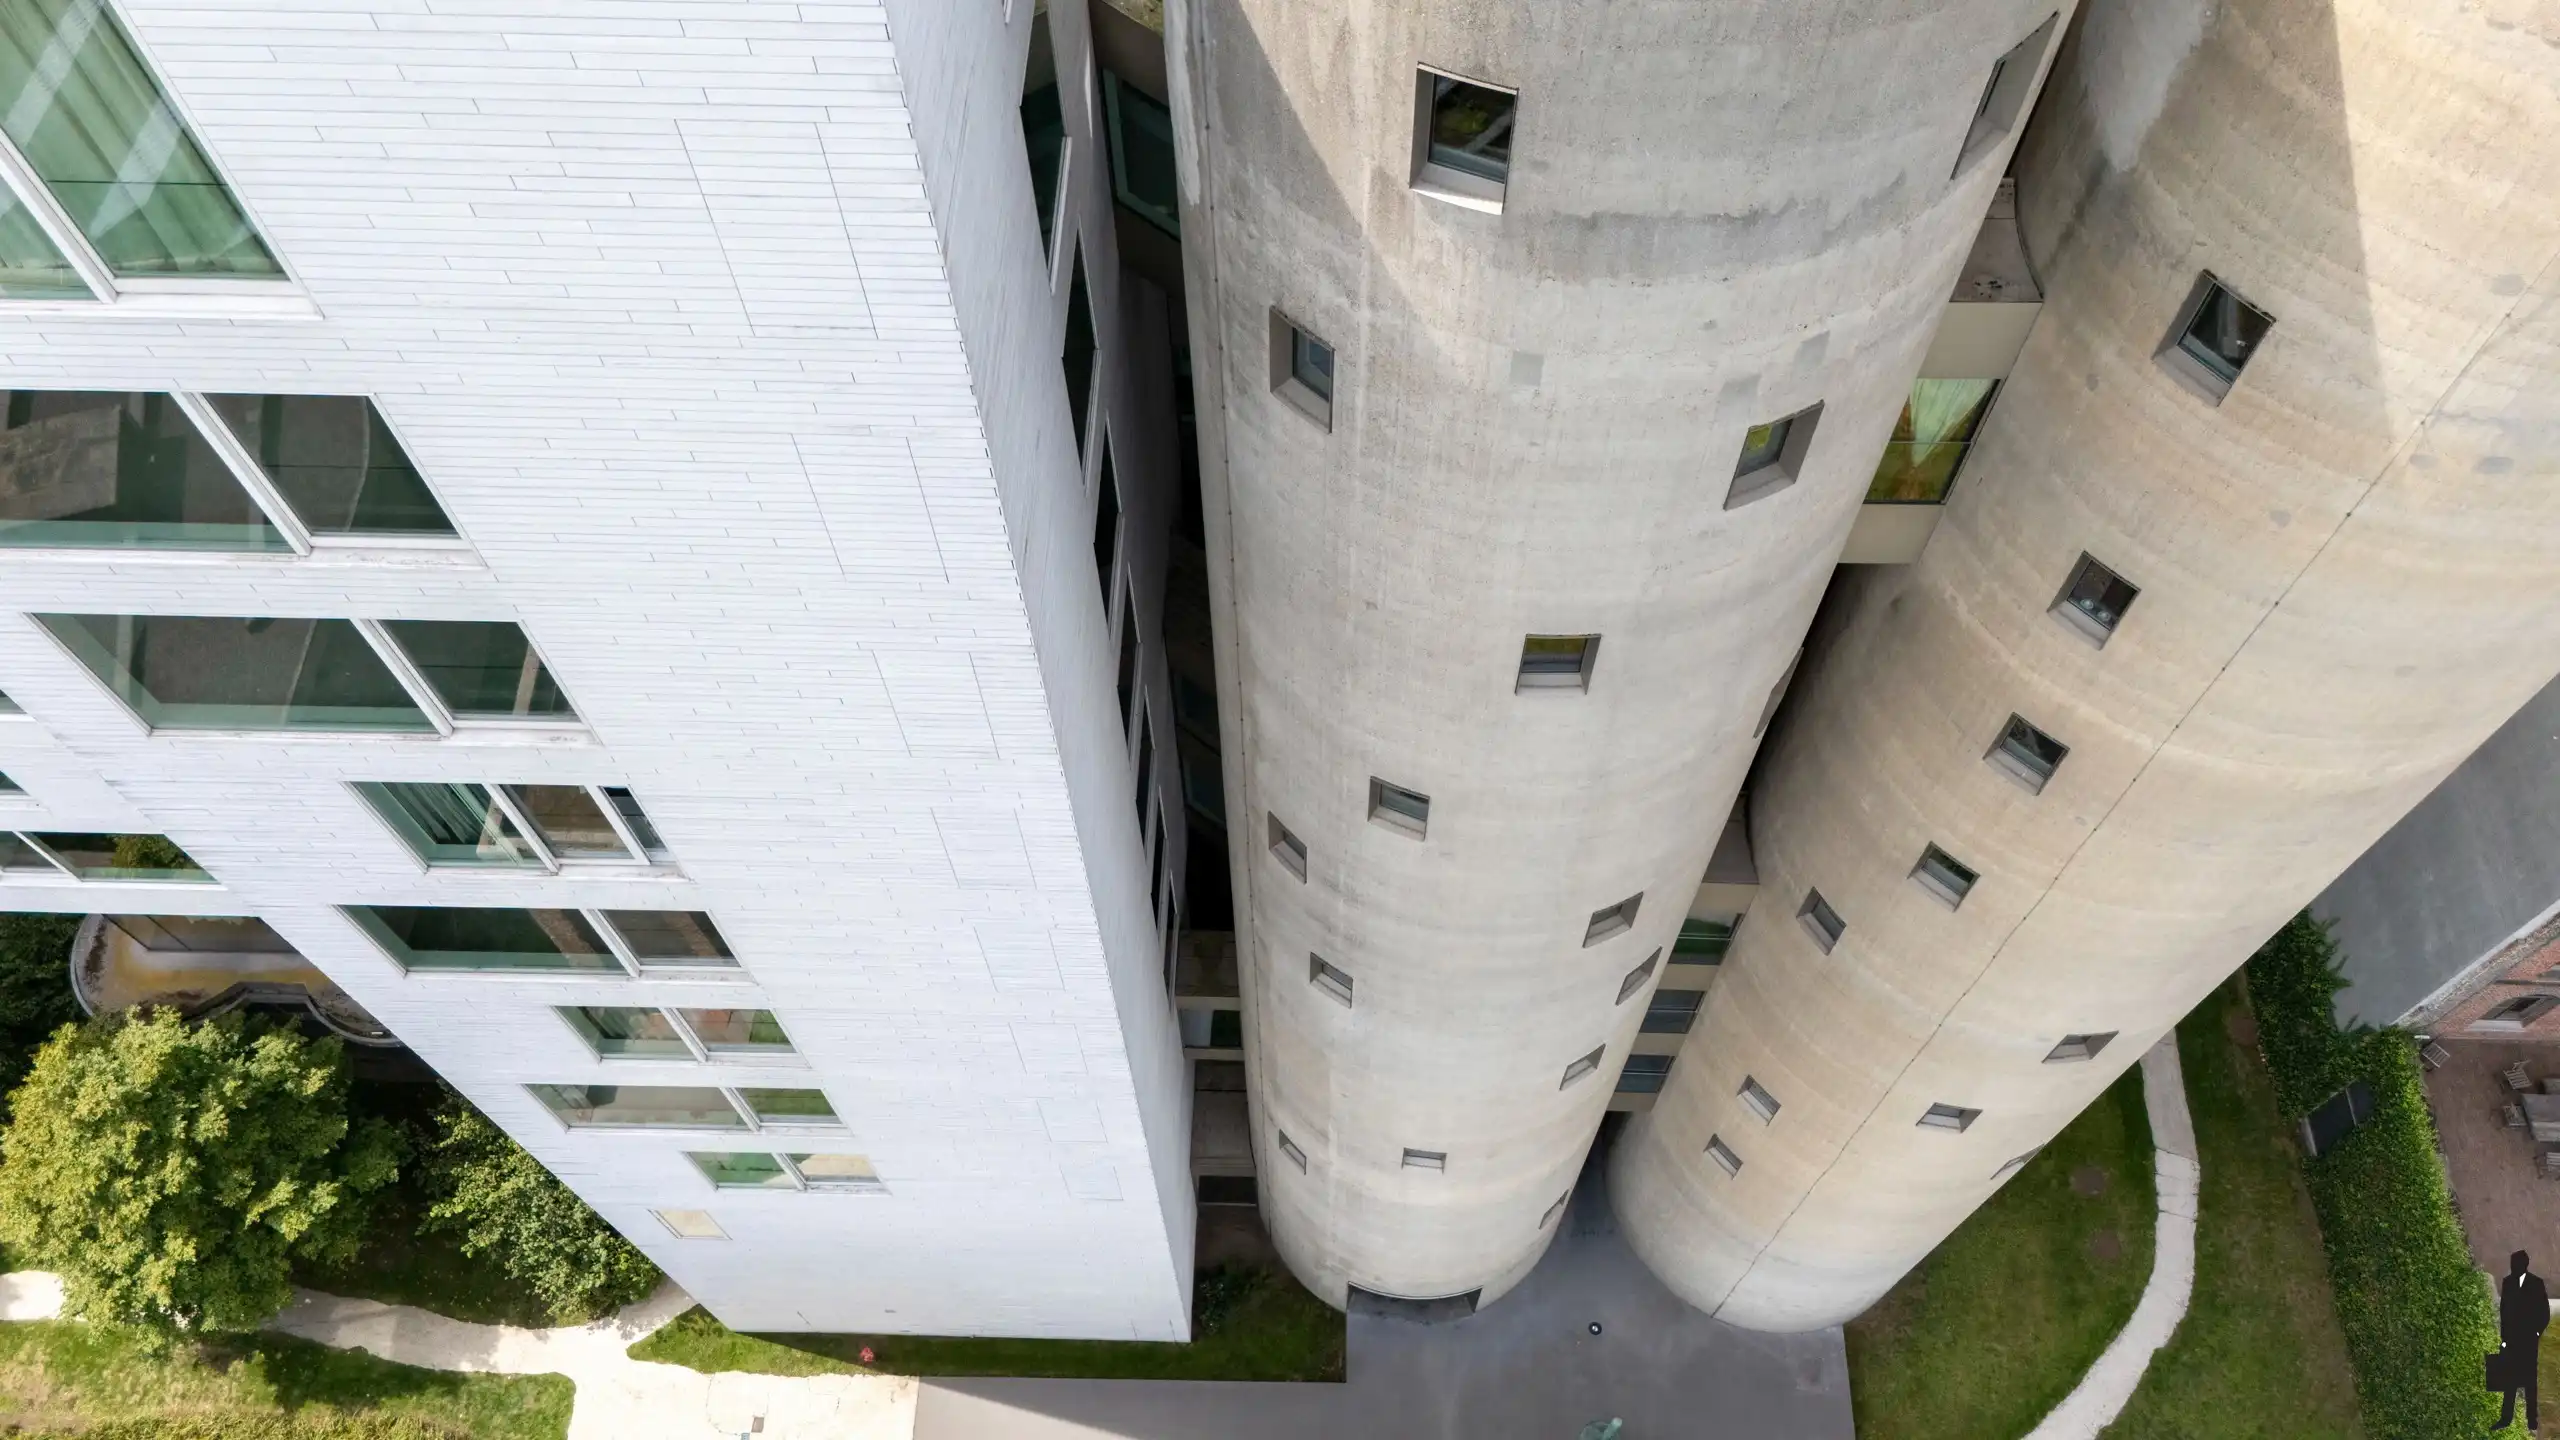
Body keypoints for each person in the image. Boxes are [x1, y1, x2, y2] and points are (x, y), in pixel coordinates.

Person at [2499, 1250, 2549, 1432]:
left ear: (2524, 1264)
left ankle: (2531, 1421)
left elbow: (2544, 1312)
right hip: (2512, 1341)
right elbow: (2503, 1312)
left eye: (2515, 1263)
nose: (2512, 1266)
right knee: (2509, 1379)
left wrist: (2536, 1332)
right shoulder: (2507, 1282)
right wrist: (2504, 1338)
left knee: (2529, 1381)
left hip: (2528, 1340)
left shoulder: (2536, 1284)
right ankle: (2505, 1418)